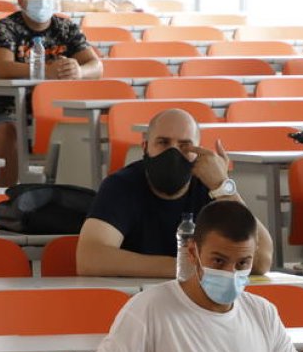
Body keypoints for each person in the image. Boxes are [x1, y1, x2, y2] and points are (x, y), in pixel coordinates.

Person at [75, 200, 303, 352]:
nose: (230, 272)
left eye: (242, 264)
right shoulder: (148, 309)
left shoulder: (263, 313)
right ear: (193, 253)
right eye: (218, 261)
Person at [77, 108, 274, 276]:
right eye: (163, 143)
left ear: (198, 152)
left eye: (184, 146)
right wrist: (185, 267)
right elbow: (89, 257)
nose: (173, 153)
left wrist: (223, 187)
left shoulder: (211, 186)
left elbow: (261, 260)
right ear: (145, 147)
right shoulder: (121, 185)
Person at [0, 0, 102, 186]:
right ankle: (5, 201)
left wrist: (80, 71)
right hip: (12, 110)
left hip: (60, 109)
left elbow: (96, 65)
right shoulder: (6, 27)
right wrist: (44, 71)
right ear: (21, 0)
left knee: (92, 131)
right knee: (7, 134)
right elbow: (2, 67)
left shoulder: (66, 27)